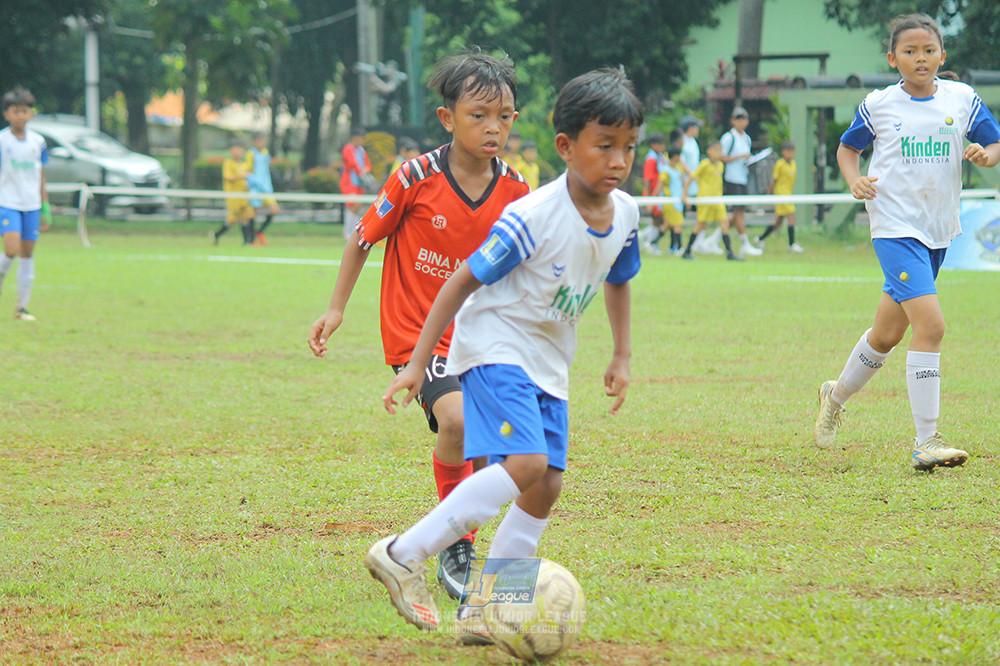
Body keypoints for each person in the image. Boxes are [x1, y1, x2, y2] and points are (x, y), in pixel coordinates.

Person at [365, 67, 642, 643]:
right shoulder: (532, 216)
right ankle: (403, 553)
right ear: (566, 147)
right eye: (605, 146)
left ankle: (487, 610)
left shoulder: (628, 215)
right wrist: (417, 363)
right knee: (525, 465)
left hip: (548, 360)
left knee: (546, 484)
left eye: (629, 148)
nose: (619, 161)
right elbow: (460, 282)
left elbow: (618, 278)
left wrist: (620, 353)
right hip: (491, 343)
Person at [308, 50, 529, 601]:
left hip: (484, 335)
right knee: (455, 422)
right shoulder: (414, 176)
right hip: (418, 335)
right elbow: (363, 237)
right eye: (478, 115)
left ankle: (472, 549)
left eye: (503, 115)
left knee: (515, 452)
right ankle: (456, 546)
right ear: (446, 117)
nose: (492, 127)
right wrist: (337, 309)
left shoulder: (517, 191)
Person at [813, 13, 1000, 470]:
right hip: (895, 228)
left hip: (938, 230)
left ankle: (833, 397)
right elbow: (847, 148)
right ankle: (927, 440)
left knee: (887, 334)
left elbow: (995, 144)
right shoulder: (879, 105)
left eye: (929, 50)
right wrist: (854, 180)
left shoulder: (963, 99)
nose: (921, 58)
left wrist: (986, 154)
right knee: (931, 326)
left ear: (943, 54)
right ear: (892, 58)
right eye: (910, 51)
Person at [0, 87, 51, 321]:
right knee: (11, 250)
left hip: (32, 204)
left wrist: (46, 207)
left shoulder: (38, 142)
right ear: (6, 114)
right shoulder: (2, 141)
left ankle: (21, 308)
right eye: (15, 111)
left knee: (27, 253)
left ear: (31, 113)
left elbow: (41, 175)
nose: (20, 115)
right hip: (7, 202)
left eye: (25, 111)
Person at [682, 140, 741, 261]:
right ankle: (687, 250)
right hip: (705, 200)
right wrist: (685, 193)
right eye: (716, 150)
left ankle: (729, 252)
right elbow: (692, 177)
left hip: (717, 200)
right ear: (710, 152)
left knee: (724, 224)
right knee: (701, 224)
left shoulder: (720, 166)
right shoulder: (705, 164)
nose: (719, 153)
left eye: (720, 150)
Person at [720, 106, 762, 256]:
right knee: (738, 212)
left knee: (739, 212)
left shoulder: (747, 138)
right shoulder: (728, 138)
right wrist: (740, 157)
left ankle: (715, 237)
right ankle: (744, 242)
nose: (741, 122)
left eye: (744, 119)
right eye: (738, 119)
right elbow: (721, 157)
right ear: (733, 121)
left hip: (743, 177)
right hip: (732, 178)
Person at [757, 141, 803, 252]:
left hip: (788, 194)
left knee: (778, 221)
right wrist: (769, 192)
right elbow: (774, 179)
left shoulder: (793, 164)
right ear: (783, 152)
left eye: (792, 151)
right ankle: (792, 245)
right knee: (791, 217)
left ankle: (760, 239)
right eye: (788, 151)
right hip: (781, 194)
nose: (791, 154)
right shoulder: (780, 164)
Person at [213, 140, 255, 246]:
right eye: (236, 149)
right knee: (232, 220)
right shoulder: (228, 163)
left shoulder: (244, 165)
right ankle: (217, 234)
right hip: (233, 197)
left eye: (241, 149)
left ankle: (247, 242)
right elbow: (228, 178)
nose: (239, 152)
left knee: (245, 218)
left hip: (244, 196)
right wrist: (243, 176)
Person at [339, 127, 374, 240]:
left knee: (357, 206)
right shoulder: (348, 149)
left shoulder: (361, 150)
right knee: (352, 206)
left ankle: (353, 232)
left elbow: (368, 165)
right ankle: (347, 233)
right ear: (355, 138)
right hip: (350, 182)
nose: (362, 141)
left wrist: (365, 172)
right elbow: (353, 164)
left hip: (360, 183)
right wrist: (362, 172)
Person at [247, 131, 280, 245]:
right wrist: (252, 184)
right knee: (252, 213)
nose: (262, 143)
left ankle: (259, 232)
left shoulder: (265, 153)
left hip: (266, 187)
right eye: (259, 140)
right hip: (255, 187)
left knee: (274, 209)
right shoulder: (251, 154)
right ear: (254, 142)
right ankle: (251, 240)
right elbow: (249, 171)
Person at [639, 132, 668, 256]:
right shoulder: (651, 159)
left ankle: (644, 237)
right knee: (657, 219)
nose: (662, 147)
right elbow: (648, 179)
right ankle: (650, 242)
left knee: (659, 219)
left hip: (659, 193)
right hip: (653, 193)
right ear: (653, 145)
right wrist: (649, 198)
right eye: (659, 144)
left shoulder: (660, 157)